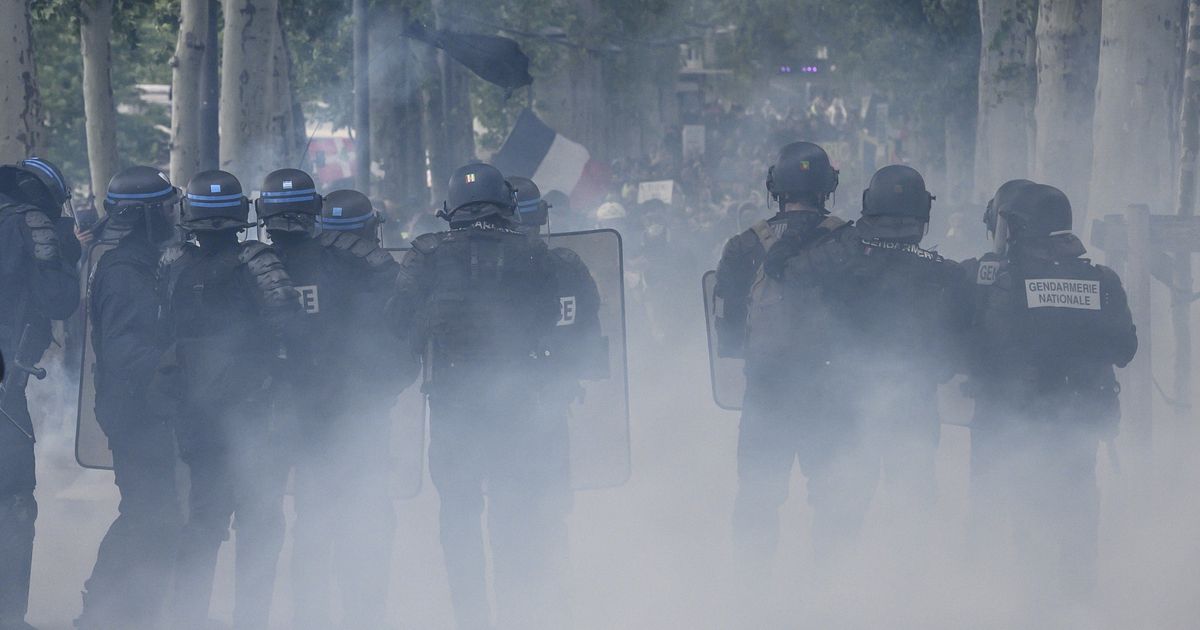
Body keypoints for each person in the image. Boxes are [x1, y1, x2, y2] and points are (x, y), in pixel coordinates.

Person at [388, 163, 561, 630]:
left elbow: (395, 326)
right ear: (505, 204)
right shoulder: (533, 252)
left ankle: (470, 617)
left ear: (451, 208)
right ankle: (517, 615)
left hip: (452, 405)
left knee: (459, 516)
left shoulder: (425, 253)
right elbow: (557, 325)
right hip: (517, 407)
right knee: (512, 515)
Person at [968, 183, 1136, 600]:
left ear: (1013, 227)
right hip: (1080, 421)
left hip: (1019, 422)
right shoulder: (1101, 279)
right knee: (1078, 513)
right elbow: (1125, 349)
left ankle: (1038, 606)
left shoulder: (994, 279)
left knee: (1029, 519)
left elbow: (976, 346)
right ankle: (1078, 603)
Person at [257, 171, 404, 630]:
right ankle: (363, 617)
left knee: (310, 522)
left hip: (287, 413)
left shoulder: (258, 264)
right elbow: (394, 338)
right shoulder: (357, 266)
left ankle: (308, 617)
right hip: (348, 414)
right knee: (363, 518)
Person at [713, 142, 866, 581]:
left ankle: (753, 593)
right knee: (833, 498)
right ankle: (831, 592)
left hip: (767, 392)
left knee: (758, 497)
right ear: (828, 187)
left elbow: (727, 331)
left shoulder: (743, 245)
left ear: (774, 186)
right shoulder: (851, 241)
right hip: (831, 394)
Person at [785, 165, 971, 512]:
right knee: (912, 510)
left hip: (842, 404)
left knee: (839, 512)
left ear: (869, 204)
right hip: (913, 406)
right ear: (924, 213)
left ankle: (832, 567)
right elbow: (957, 344)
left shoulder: (832, 256)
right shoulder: (945, 274)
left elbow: (792, 292)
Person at [165, 170, 300, 630]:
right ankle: (251, 620)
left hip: (199, 420)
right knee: (260, 527)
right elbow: (288, 328)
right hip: (255, 418)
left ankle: (187, 619)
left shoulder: (172, 265)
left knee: (202, 528)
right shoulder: (257, 261)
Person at [75, 166, 183, 629]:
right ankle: (100, 612)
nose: (173, 215)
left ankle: (139, 614)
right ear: (145, 217)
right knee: (145, 515)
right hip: (136, 413)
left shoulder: (142, 262)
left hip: (147, 409)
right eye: (165, 208)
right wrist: (181, 359)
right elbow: (125, 350)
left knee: (157, 517)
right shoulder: (124, 272)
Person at [0, 157, 80, 630]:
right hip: (4, 392)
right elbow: (58, 300)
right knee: (13, 501)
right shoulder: (29, 225)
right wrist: (64, 252)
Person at [960, 178, 1036, 554]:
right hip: (1053, 405)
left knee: (988, 495)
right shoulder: (1078, 276)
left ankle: (983, 569)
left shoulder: (974, 273)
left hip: (994, 405)